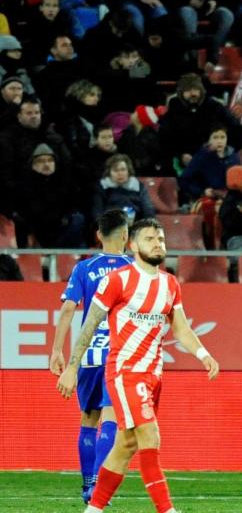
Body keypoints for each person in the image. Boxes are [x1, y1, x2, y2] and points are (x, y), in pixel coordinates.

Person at [56, 218, 220, 513]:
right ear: (132, 245)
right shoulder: (117, 279)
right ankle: (167, 510)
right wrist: (71, 366)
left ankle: (93, 509)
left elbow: (180, 328)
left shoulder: (170, 283)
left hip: (154, 375)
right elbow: (90, 325)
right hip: (124, 372)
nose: (158, 243)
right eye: (150, 239)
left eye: (161, 238)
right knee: (150, 436)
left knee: (125, 446)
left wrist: (203, 354)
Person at [49, 209, 132, 503]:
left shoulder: (83, 268)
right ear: (126, 235)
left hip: (88, 352)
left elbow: (69, 308)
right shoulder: (135, 268)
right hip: (120, 352)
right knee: (112, 419)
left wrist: (57, 350)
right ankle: (98, 490)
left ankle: (88, 485)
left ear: (98, 235)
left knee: (89, 419)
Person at [91, 154, 155, 223]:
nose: (120, 173)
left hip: (135, 223)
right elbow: (97, 211)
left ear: (128, 171)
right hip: (110, 225)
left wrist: (146, 224)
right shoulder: (102, 186)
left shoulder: (138, 186)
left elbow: (148, 207)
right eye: (115, 170)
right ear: (109, 172)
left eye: (123, 169)